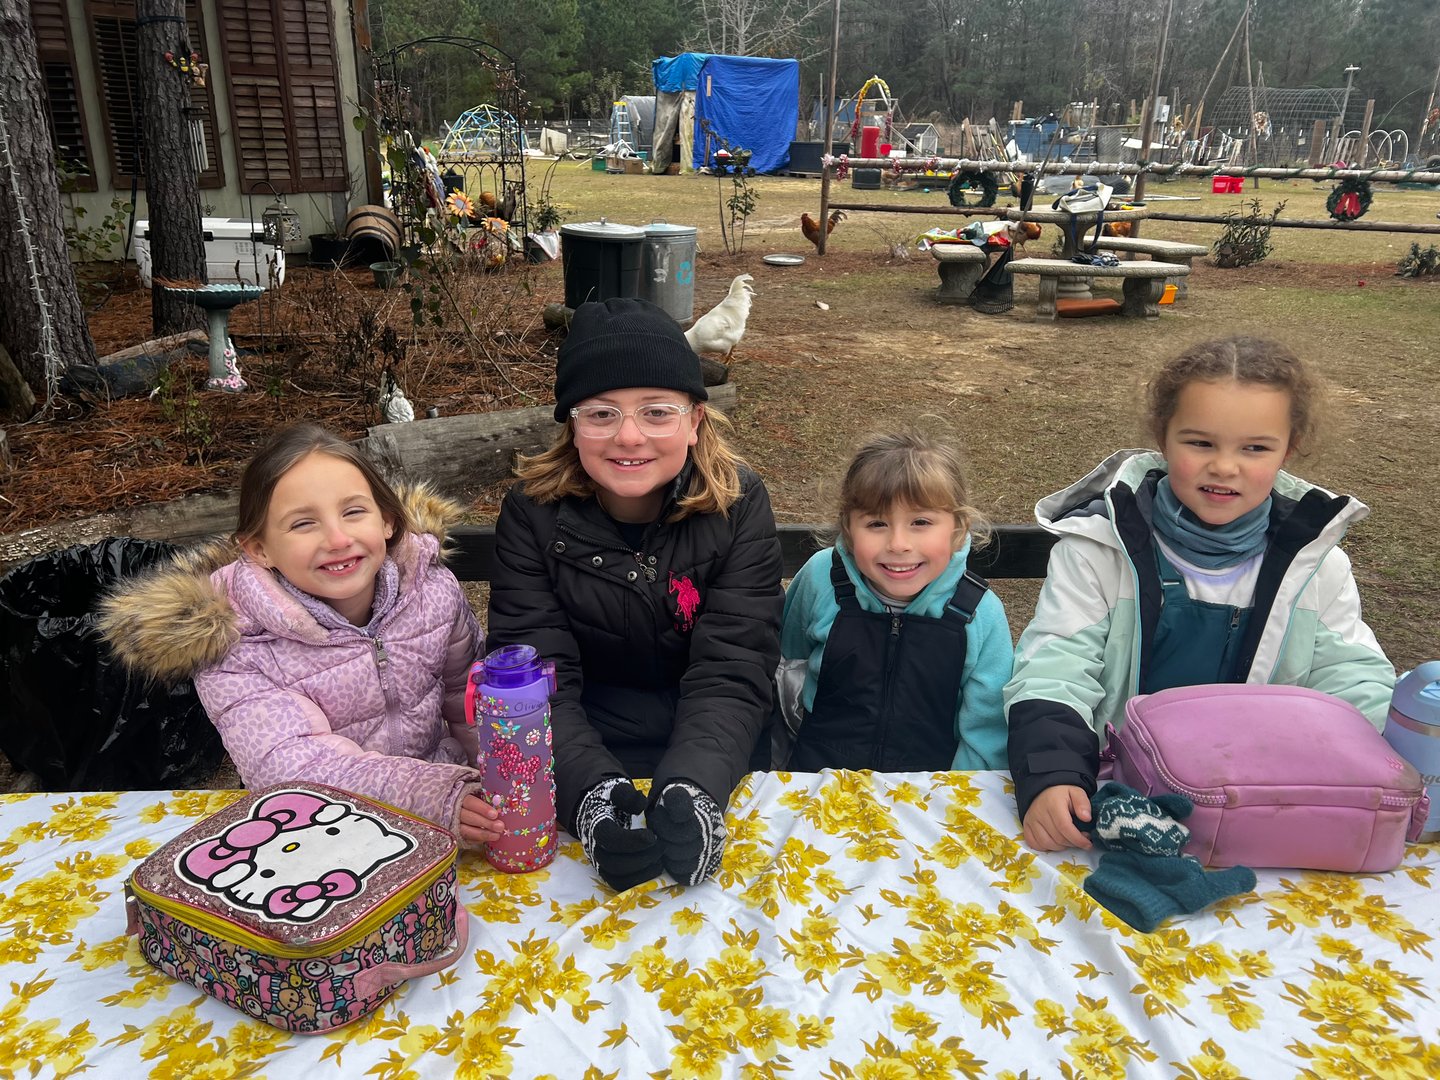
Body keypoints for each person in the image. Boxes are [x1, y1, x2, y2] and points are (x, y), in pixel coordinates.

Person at [1006, 336, 1396, 852]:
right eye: (1200, 443)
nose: (1225, 467)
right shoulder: (1096, 550)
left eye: (1254, 447)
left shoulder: (1318, 567)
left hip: (1263, 806)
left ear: (1290, 446)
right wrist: (1052, 774)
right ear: (1162, 438)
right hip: (1115, 796)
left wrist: (1376, 769)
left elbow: (1352, 682)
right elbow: (1054, 669)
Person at [486, 297, 783, 892]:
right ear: (571, 423)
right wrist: (590, 795)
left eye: (656, 412)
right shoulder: (531, 515)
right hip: (581, 755)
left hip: (717, 754)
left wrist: (694, 786)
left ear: (695, 420)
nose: (629, 436)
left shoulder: (740, 506)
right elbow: (540, 676)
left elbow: (734, 667)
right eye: (600, 414)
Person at [99, 424, 502, 848]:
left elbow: (468, 696)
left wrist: (498, 776)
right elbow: (289, 769)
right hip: (318, 835)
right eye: (303, 523)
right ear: (259, 549)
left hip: (453, 806)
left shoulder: (431, 591)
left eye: (353, 512)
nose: (338, 539)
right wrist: (428, 795)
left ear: (387, 520)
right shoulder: (236, 642)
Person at [777, 431, 1013, 771]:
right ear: (848, 527)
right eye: (876, 523)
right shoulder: (821, 579)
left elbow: (986, 734)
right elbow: (787, 665)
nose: (898, 544)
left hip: (930, 796)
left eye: (920, 522)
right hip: (818, 782)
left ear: (958, 528)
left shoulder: (980, 613)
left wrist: (952, 803)